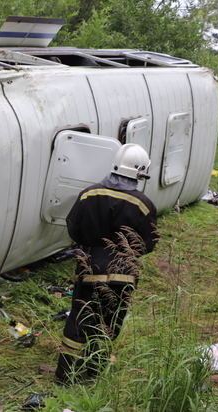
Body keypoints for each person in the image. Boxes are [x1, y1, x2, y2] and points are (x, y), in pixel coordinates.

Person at [55, 143, 158, 383]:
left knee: (80, 320)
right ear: (140, 173)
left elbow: (73, 228)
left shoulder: (90, 194)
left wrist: (91, 247)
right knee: (109, 322)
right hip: (123, 273)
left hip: (89, 268)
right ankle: (92, 375)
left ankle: (65, 377)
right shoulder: (143, 204)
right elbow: (148, 244)